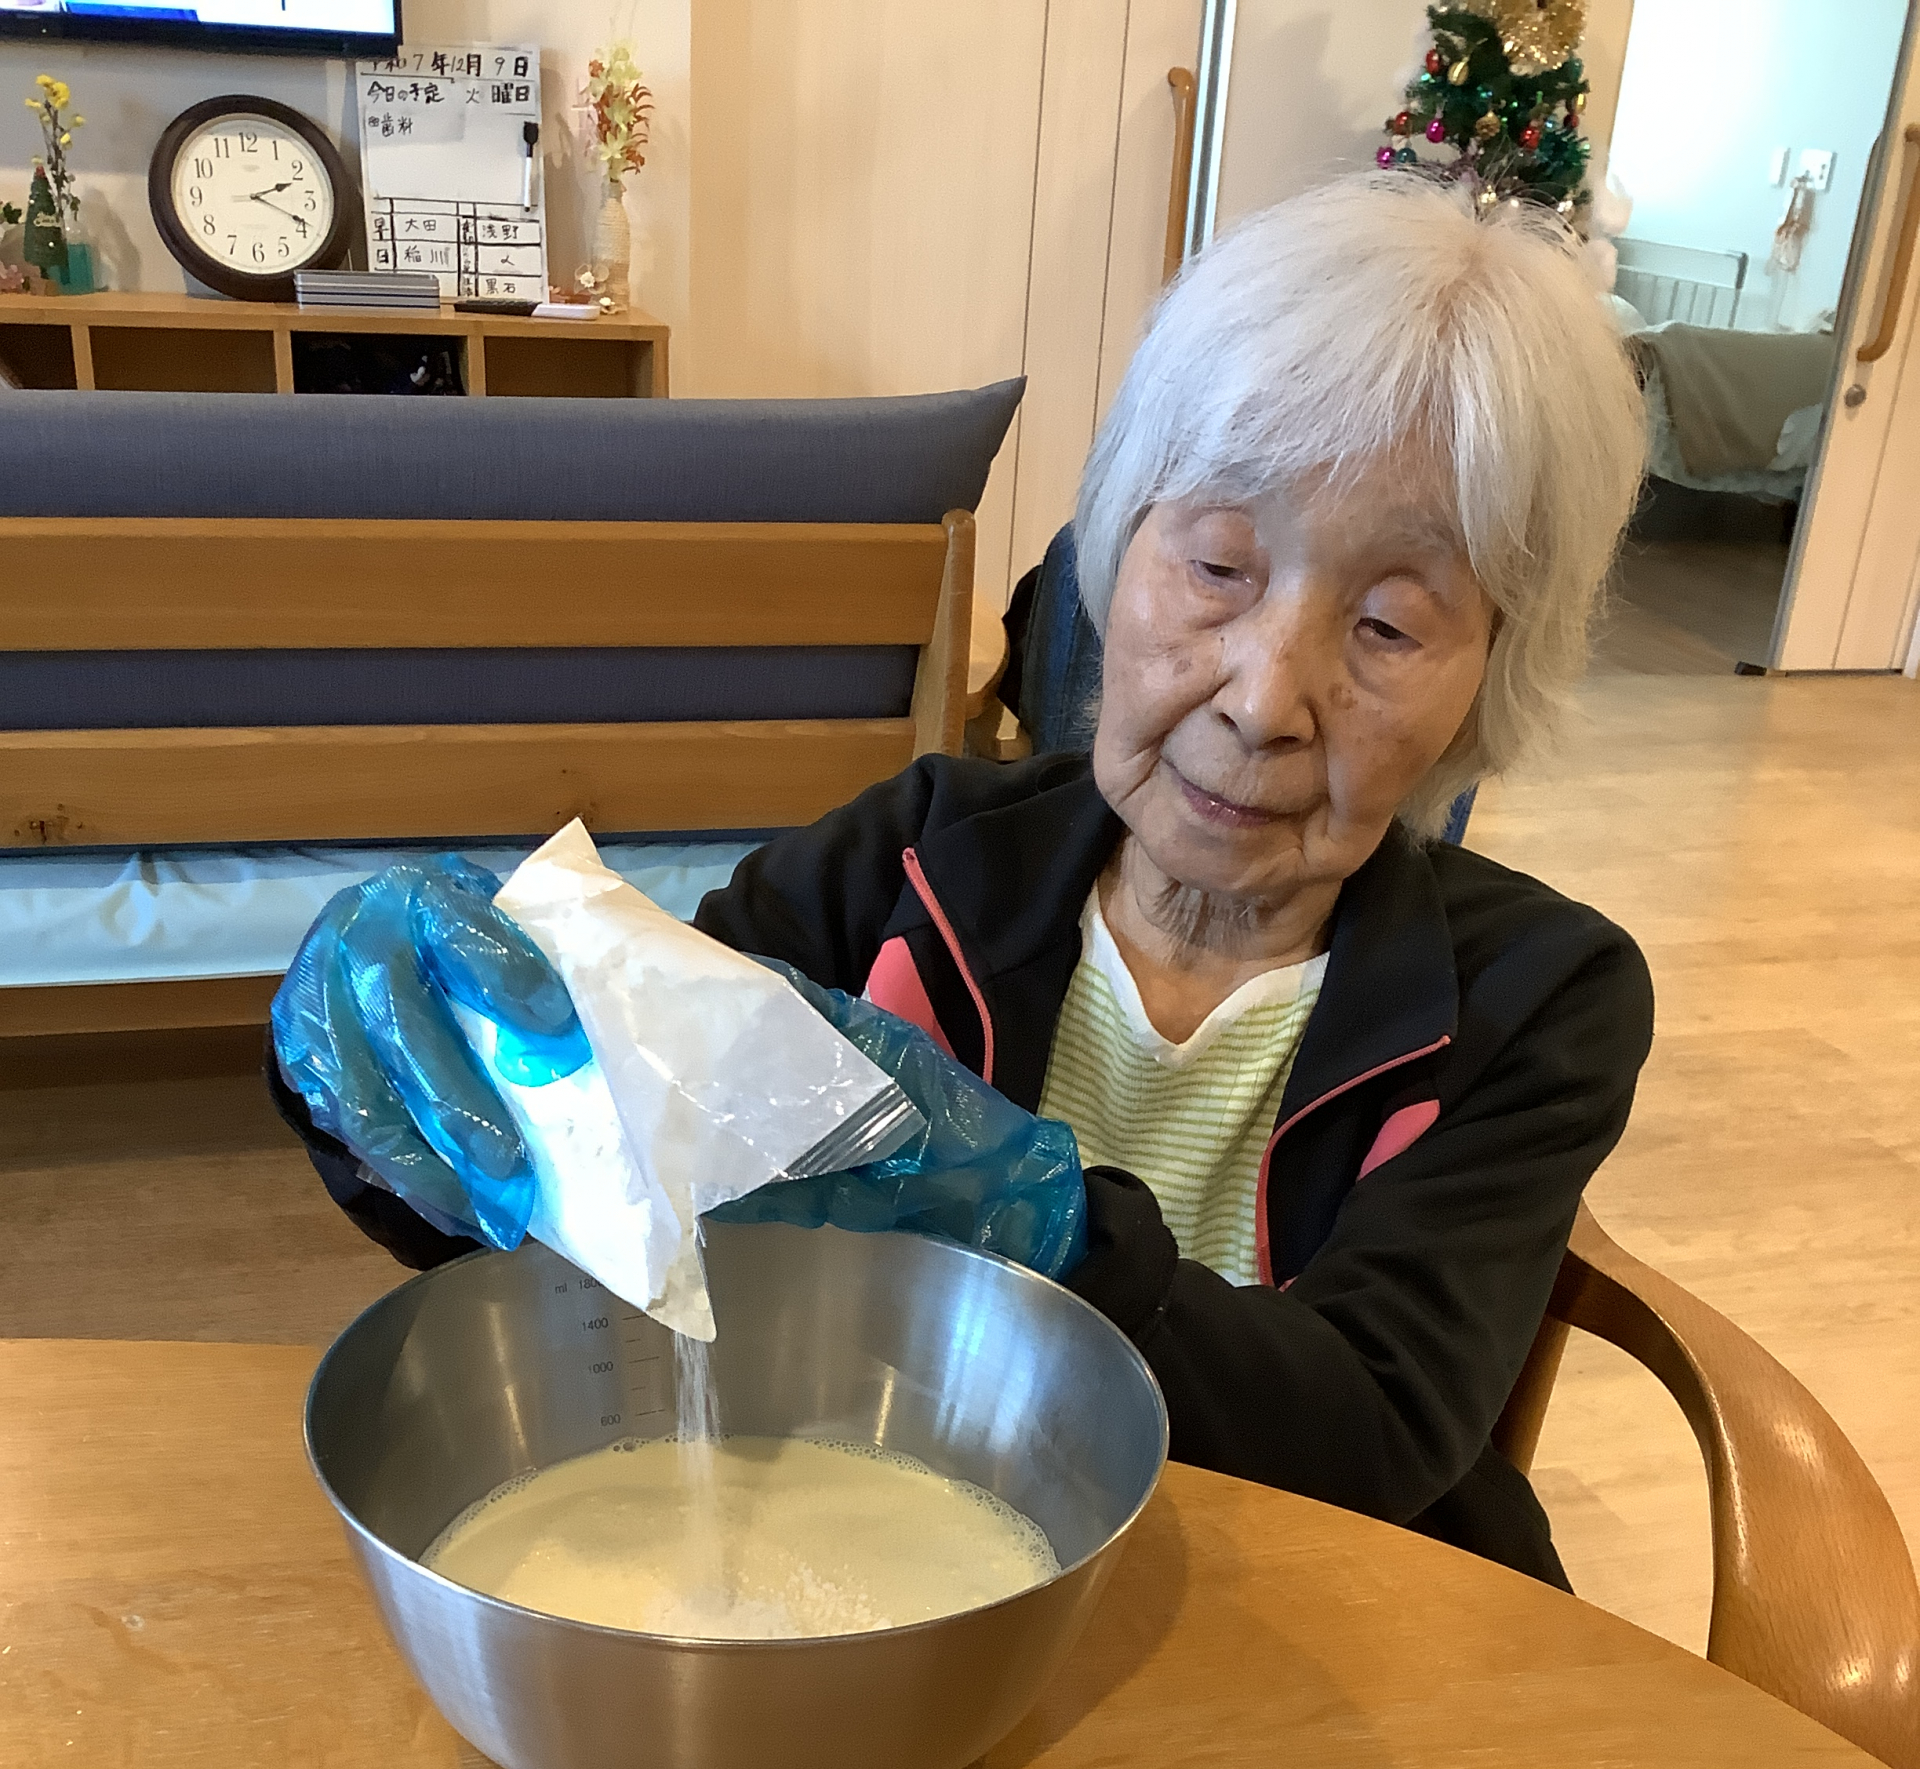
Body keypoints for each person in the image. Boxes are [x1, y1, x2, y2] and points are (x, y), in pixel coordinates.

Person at [273, 172, 1652, 1587]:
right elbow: (602, 1176)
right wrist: (388, 1062)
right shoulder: (909, 861)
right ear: (1116, 551)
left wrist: (1051, 1232)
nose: (1262, 699)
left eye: (1387, 626)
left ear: (1492, 680)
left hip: (1315, 1619)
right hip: (878, 1578)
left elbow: (1378, 1430)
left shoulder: (1539, 995)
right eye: (1219, 566)